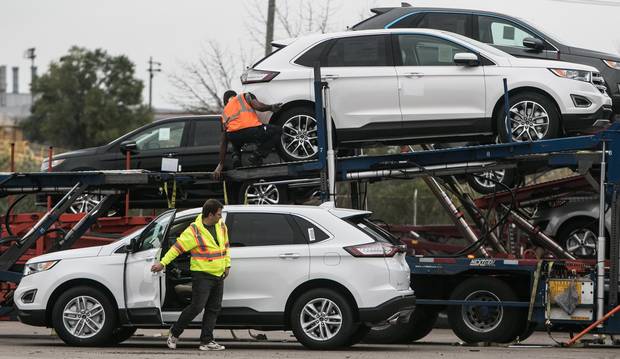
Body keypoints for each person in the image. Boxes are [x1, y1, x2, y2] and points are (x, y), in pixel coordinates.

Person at [151, 199, 230, 351]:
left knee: (214, 308)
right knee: (196, 307)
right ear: (210, 214)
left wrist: (227, 265)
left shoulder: (221, 225)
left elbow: (226, 246)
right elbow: (176, 248)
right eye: (219, 214)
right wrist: (163, 263)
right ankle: (174, 332)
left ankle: (206, 341)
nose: (221, 216)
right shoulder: (194, 231)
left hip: (218, 274)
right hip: (202, 275)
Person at [213, 90, 282, 179]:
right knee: (278, 131)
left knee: (233, 137)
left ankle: (236, 157)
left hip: (234, 135)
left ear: (225, 102)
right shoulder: (244, 96)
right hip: (252, 131)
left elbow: (223, 142)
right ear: (235, 95)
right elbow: (259, 107)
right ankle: (257, 155)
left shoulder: (224, 114)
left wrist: (220, 164)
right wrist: (271, 107)